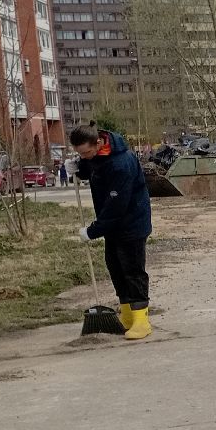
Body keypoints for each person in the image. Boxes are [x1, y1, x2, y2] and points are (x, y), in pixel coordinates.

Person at [70, 124, 154, 340]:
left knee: (132, 271)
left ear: (98, 142)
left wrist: (92, 231)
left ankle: (141, 321)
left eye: (86, 153)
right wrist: (79, 169)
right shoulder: (96, 155)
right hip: (114, 226)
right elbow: (93, 167)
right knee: (115, 267)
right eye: (80, 154)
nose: (84, 156)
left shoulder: (121, 163)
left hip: (132, 222)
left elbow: (117, 206)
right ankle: (126, 315)